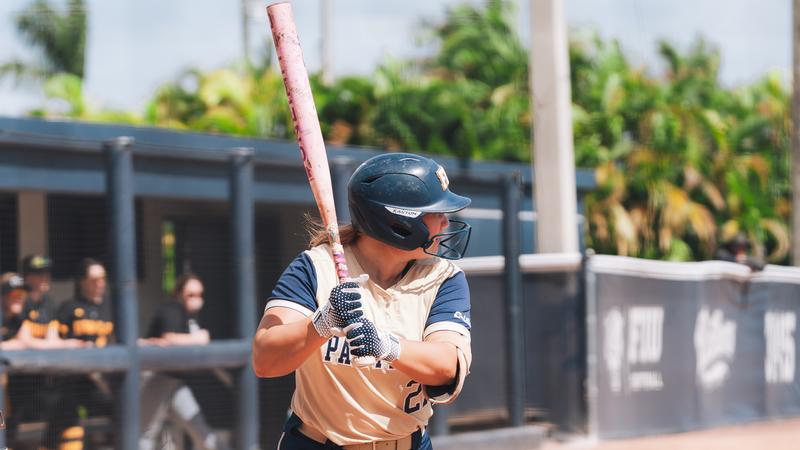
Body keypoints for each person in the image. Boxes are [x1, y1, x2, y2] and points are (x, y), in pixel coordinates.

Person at [253, 153, 474, 449]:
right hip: (318, 441)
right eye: (435, 212)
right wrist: (322, 323)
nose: (446, 222)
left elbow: (445, 365)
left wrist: (387, 345)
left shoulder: (443, 278)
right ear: (399, 222)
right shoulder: (317, 267)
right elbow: (265, 360)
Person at [139, 273, 230, 450]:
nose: (196, 299)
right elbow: (169, 338)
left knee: (203, 433)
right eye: (191, 295)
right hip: (155, 379)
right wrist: (198, 338)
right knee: (145, 436)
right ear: (178, 294)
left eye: (199, 295)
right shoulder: (171, 309)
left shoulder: (191, 317)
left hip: (176, 382)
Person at [44, 258, 116, 450]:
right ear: (82, 282)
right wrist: (71, 344)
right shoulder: (68, 307)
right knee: (67, 426)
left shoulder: (110, 308)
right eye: (94, 279)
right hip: (71, 380)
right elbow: (52, 340)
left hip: (97, 381)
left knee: (123, 408)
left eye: (103, 278)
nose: (100, 283)